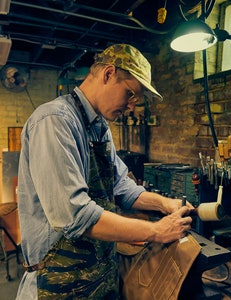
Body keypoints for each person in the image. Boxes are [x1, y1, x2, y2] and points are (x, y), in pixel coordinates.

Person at [16, 44, 194, 299]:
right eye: (130, 94)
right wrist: (156, 230)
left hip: (97, 276)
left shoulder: (99, 128)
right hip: (58, 284)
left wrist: (166, 204)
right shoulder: (55, 121)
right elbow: (76, 215)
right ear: (108, 74)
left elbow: (123, 188)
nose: (132, 106)